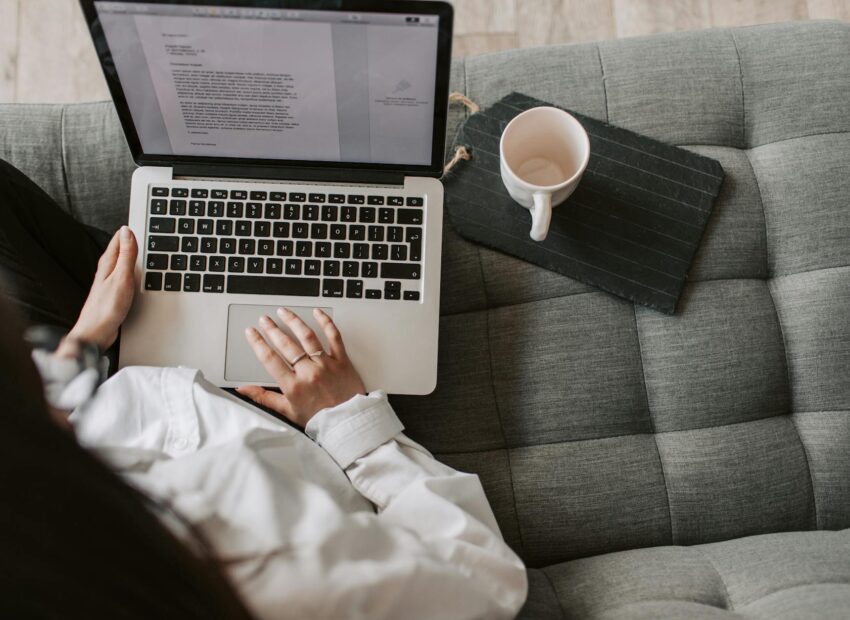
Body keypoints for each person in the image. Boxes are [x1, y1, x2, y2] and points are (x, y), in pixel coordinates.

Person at [0, 158, 528, 619]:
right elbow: (489, 584)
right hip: (271, 420)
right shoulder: (279, 564)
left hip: (109, 389)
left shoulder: (35, 510)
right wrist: (348, 418)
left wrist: (81, 344)